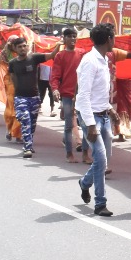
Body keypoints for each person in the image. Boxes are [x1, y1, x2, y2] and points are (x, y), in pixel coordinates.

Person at [75, 23, 116, 216]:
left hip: (103, 115)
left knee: (103, 160)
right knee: (100, 157)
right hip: (90, 117)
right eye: (113, 37)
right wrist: (91, 125)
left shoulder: (103, 59)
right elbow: (83, 96)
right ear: (109, 39)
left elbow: (98, 93)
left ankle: (84, 183)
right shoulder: (90, 61)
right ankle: (100, 203)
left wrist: (109, 108)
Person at [6, 36, 51, 159]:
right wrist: (16, 93)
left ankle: (29, 144)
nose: (22, 48)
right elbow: (13, 79)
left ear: (27, 46)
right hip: (20, 97)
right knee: (25, 120)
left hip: (34, 98)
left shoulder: (34, 58)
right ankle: (27, 147)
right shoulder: (12, 63)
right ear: (15, 48)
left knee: (32, 124)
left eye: (24, 46)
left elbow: (51, 55)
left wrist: (58, 45)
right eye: (19, 46)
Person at [50, 27, 87, 161]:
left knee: (86, 125)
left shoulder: (83, 53)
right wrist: (55, 89)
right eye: (70, 36)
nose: (73, 39)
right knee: (68, 125)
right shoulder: (60, 56)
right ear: (64, 39)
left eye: (74, 36)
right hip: (67, 95)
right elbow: (55, 76)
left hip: (82, 95)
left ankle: (85, 154)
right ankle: (69, 153)